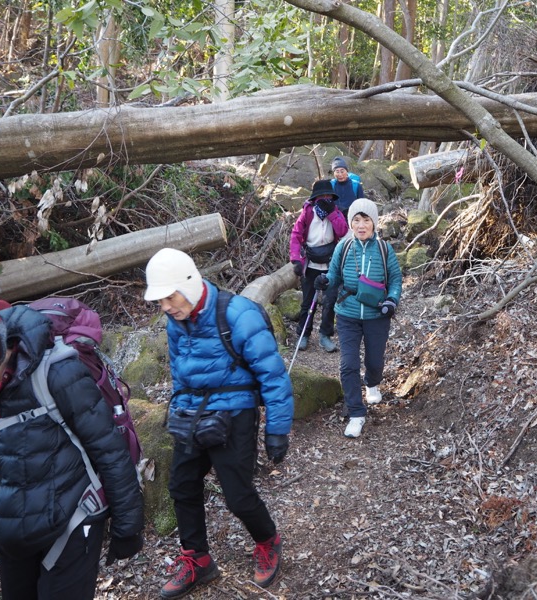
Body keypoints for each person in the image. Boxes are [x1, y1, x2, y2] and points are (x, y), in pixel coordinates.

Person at [0, 287, 144, 600]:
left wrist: (128, 524)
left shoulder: (57, 373)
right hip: (12, 534)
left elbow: (108, 450)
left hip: (71, 523)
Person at [143, 248, 294, 597]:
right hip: (194, 412)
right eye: (160, 300)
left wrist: (277, 430)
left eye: (170, 297)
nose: (166, 306)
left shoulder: (238, 314)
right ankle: (197, 559)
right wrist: (178, 410)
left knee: (238, 497)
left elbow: (273, 376)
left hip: (235, 411)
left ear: (190, 284)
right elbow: (180, 373)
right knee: (182, 485)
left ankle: (268, 541)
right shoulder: (175, 320)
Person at [314, 198, 402, 438]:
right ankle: (356, 413)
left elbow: (395, 279)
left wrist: (392, 300)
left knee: (375, 362)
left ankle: (372, 383)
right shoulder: (343, 247)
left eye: (366, 220)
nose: (361, 225)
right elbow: (332, 275)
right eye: (356, 220)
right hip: (348, 315)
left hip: (377, 314)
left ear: (373, 223)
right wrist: (324, 281)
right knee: (348, 364)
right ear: (350, 222)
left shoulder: (385, 249)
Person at [290, 179, 349, 353]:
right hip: (311, 262)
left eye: (327, 196)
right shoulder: (307, 212)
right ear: (315, 198)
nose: (325, 198)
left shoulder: (336, 212)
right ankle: (304, 334)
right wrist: (296, 260)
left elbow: (343, 231)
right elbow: (296, 235)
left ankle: (325, 335)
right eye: (321, 196)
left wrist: (332, 213)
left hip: (331, 263)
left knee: (330, 301)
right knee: (308, 302)